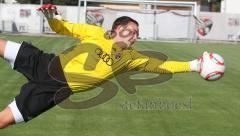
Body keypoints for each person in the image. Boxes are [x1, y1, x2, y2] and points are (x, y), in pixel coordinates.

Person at [0, 4, 201, 129]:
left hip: (55, 90)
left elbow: (163, 66)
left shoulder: (131, 58)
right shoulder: (96, 32)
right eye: (132, 32)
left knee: (3, 121)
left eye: (137, 34)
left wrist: (193, 65)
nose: (135, 37)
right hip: (46, 63)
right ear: (119, 29)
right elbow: (64, 27)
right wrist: (52, 18)